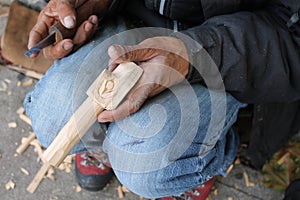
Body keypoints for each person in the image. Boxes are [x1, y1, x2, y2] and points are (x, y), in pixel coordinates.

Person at [24, 0, 300, 199]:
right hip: (138, 21)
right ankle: (105, 146)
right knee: (52, 118)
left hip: (234, 54)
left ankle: (213, 149)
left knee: (146, 168)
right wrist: (93, 3)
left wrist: (192, 54)